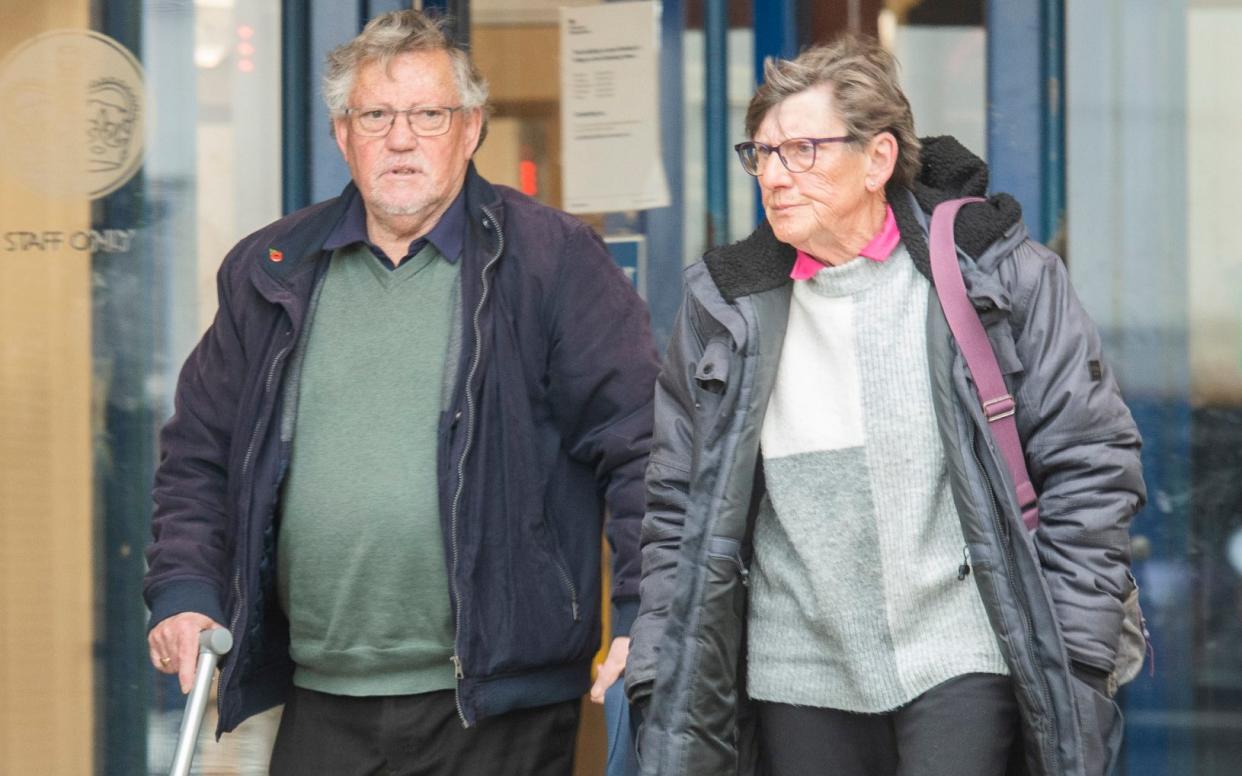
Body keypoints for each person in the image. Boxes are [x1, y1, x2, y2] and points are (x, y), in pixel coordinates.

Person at [144, 10, 657, 775]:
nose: (401, 138)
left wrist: (646, 618)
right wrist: (185, 588)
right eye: (375, 115)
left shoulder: (553, 261)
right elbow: (200, 456)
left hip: (498, 705)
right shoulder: (272, 268)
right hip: (321, 696)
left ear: (471, 127)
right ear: (341, 133)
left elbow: (643, 446)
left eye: (428, 114)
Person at [624, 35, 1146, 776]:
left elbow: (1091, 462)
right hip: (795, 674)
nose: (775, 175)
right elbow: (676, 507)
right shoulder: (727, 304)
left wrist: (1078, 652)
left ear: (878, 160)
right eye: (763, 154)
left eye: (803, 149)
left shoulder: (990, 273)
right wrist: (656, 668)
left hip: (963, 656)